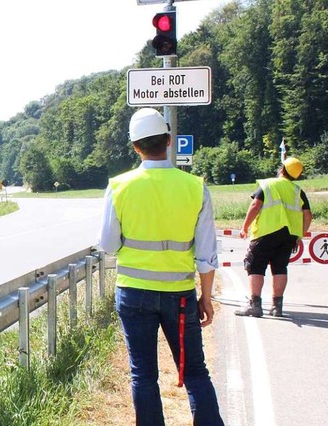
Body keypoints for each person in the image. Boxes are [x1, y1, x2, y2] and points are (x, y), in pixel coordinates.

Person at [99, 108, 224, 425]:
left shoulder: (118, 187)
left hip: (133, 293)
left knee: (143, 374)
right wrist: (205, 298)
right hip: (179, 296)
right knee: (195, 371)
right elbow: (206, 254)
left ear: (135, 147)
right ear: (169, 140)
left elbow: (109, 245)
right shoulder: (195, 187)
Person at [235, 157, 312, 317]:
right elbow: (308, 215)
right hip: (289, 235)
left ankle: (255, 305)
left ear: (282, 169)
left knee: (255, 266)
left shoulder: (267, 184)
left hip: (265, 232)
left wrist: (244, 227)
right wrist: (299, 235)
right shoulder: (298, 191)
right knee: (280, 267)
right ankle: (277, 307)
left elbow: (255, 205)